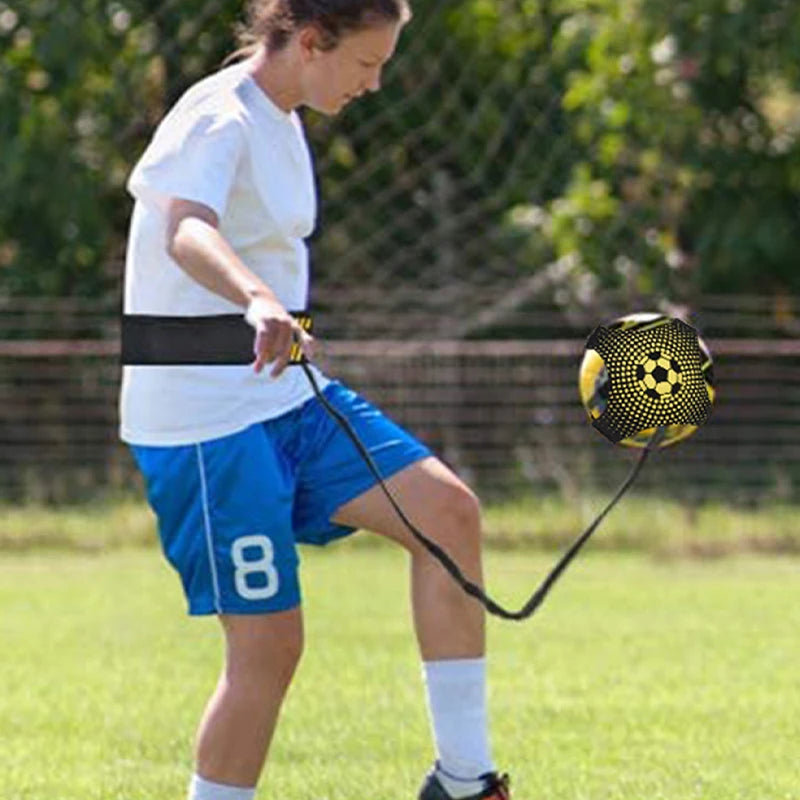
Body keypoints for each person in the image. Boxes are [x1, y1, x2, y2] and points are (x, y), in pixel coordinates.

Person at [120, 2, 510, 799]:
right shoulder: (217, 115)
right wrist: (258, 298)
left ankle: (465, 782)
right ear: (309, 42)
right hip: (204, 422)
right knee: (268, 649)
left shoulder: (283, 117)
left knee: (448, 516)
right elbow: (186, 229)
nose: (375, 84)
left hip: (283, 398)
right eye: (367, 64)